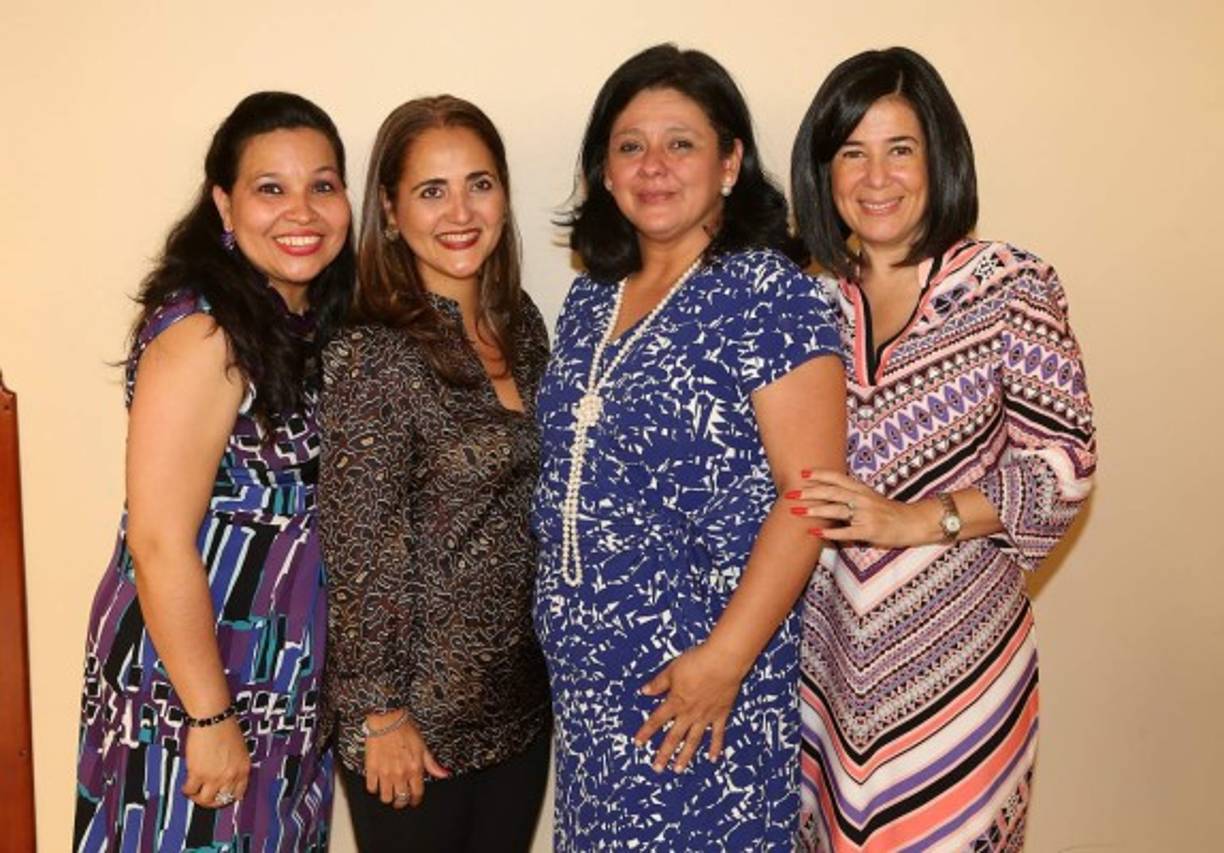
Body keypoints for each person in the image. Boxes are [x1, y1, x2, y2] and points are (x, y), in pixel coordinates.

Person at [533, 44, 847, 850]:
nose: (654, 165)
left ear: (730, 162)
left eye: (681, 143)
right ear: (604, 173)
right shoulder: (589, 300)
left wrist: (724, 661)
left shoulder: (768, 291)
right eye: (630, 145)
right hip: (592, 697)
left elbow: (811, 494)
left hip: (702, 686)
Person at [789, 47, 1097, 851]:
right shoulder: (805, 302)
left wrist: (917, 520)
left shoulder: (1009, 284)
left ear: (940, 158)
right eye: (851, 152)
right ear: (823, 172)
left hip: (961, 676)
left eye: (900, 149)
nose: (876, 177)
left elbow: (1064, 464)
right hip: (821, 677)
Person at [74, 91, 355, 850]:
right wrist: (209, 714)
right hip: (200, 680)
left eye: (322, 185)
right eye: (271, 188)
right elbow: (158, 538)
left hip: (277, 675)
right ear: (225, 205)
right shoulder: (205, 332)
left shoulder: (299, 322)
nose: (301, 211)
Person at [318, 95, 552, 852]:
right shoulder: (373, 354)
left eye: (479, 184)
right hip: (414, 726)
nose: (460, 212)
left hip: (518, 707)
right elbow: (359, 548)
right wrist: (381, 714)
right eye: (431, 190)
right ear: (390, 211)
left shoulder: (522, 324)